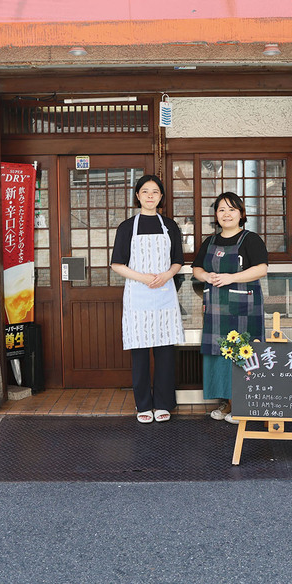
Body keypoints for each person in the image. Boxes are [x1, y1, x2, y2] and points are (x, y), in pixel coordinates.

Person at [110, 174, 185, 424]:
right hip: (138, 294)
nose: (150, 196)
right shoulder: (126, 227)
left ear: (161, 196)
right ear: (138, 196)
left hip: (164, 293)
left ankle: (163, 403)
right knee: (140, 353)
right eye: (145, 191)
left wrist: (166, 275)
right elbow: (117, 264)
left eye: (155, 192)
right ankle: (143, 404)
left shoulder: (170, 226)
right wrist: (143, 278)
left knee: (165, 352)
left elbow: (178, 260)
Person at [192, 192, 268, 423]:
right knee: (219, 355)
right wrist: (207, 276)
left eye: (232, 209)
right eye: (222, 209)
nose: (227, 214)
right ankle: (227, 403)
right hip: (216, 308)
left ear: (241, 214)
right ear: (216, 214)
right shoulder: (210, 242)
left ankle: (243, 405)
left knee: (243, 354)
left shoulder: (251, 239)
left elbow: (261, 269)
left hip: (244, 310)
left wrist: (231, 278)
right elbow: (196, 269)